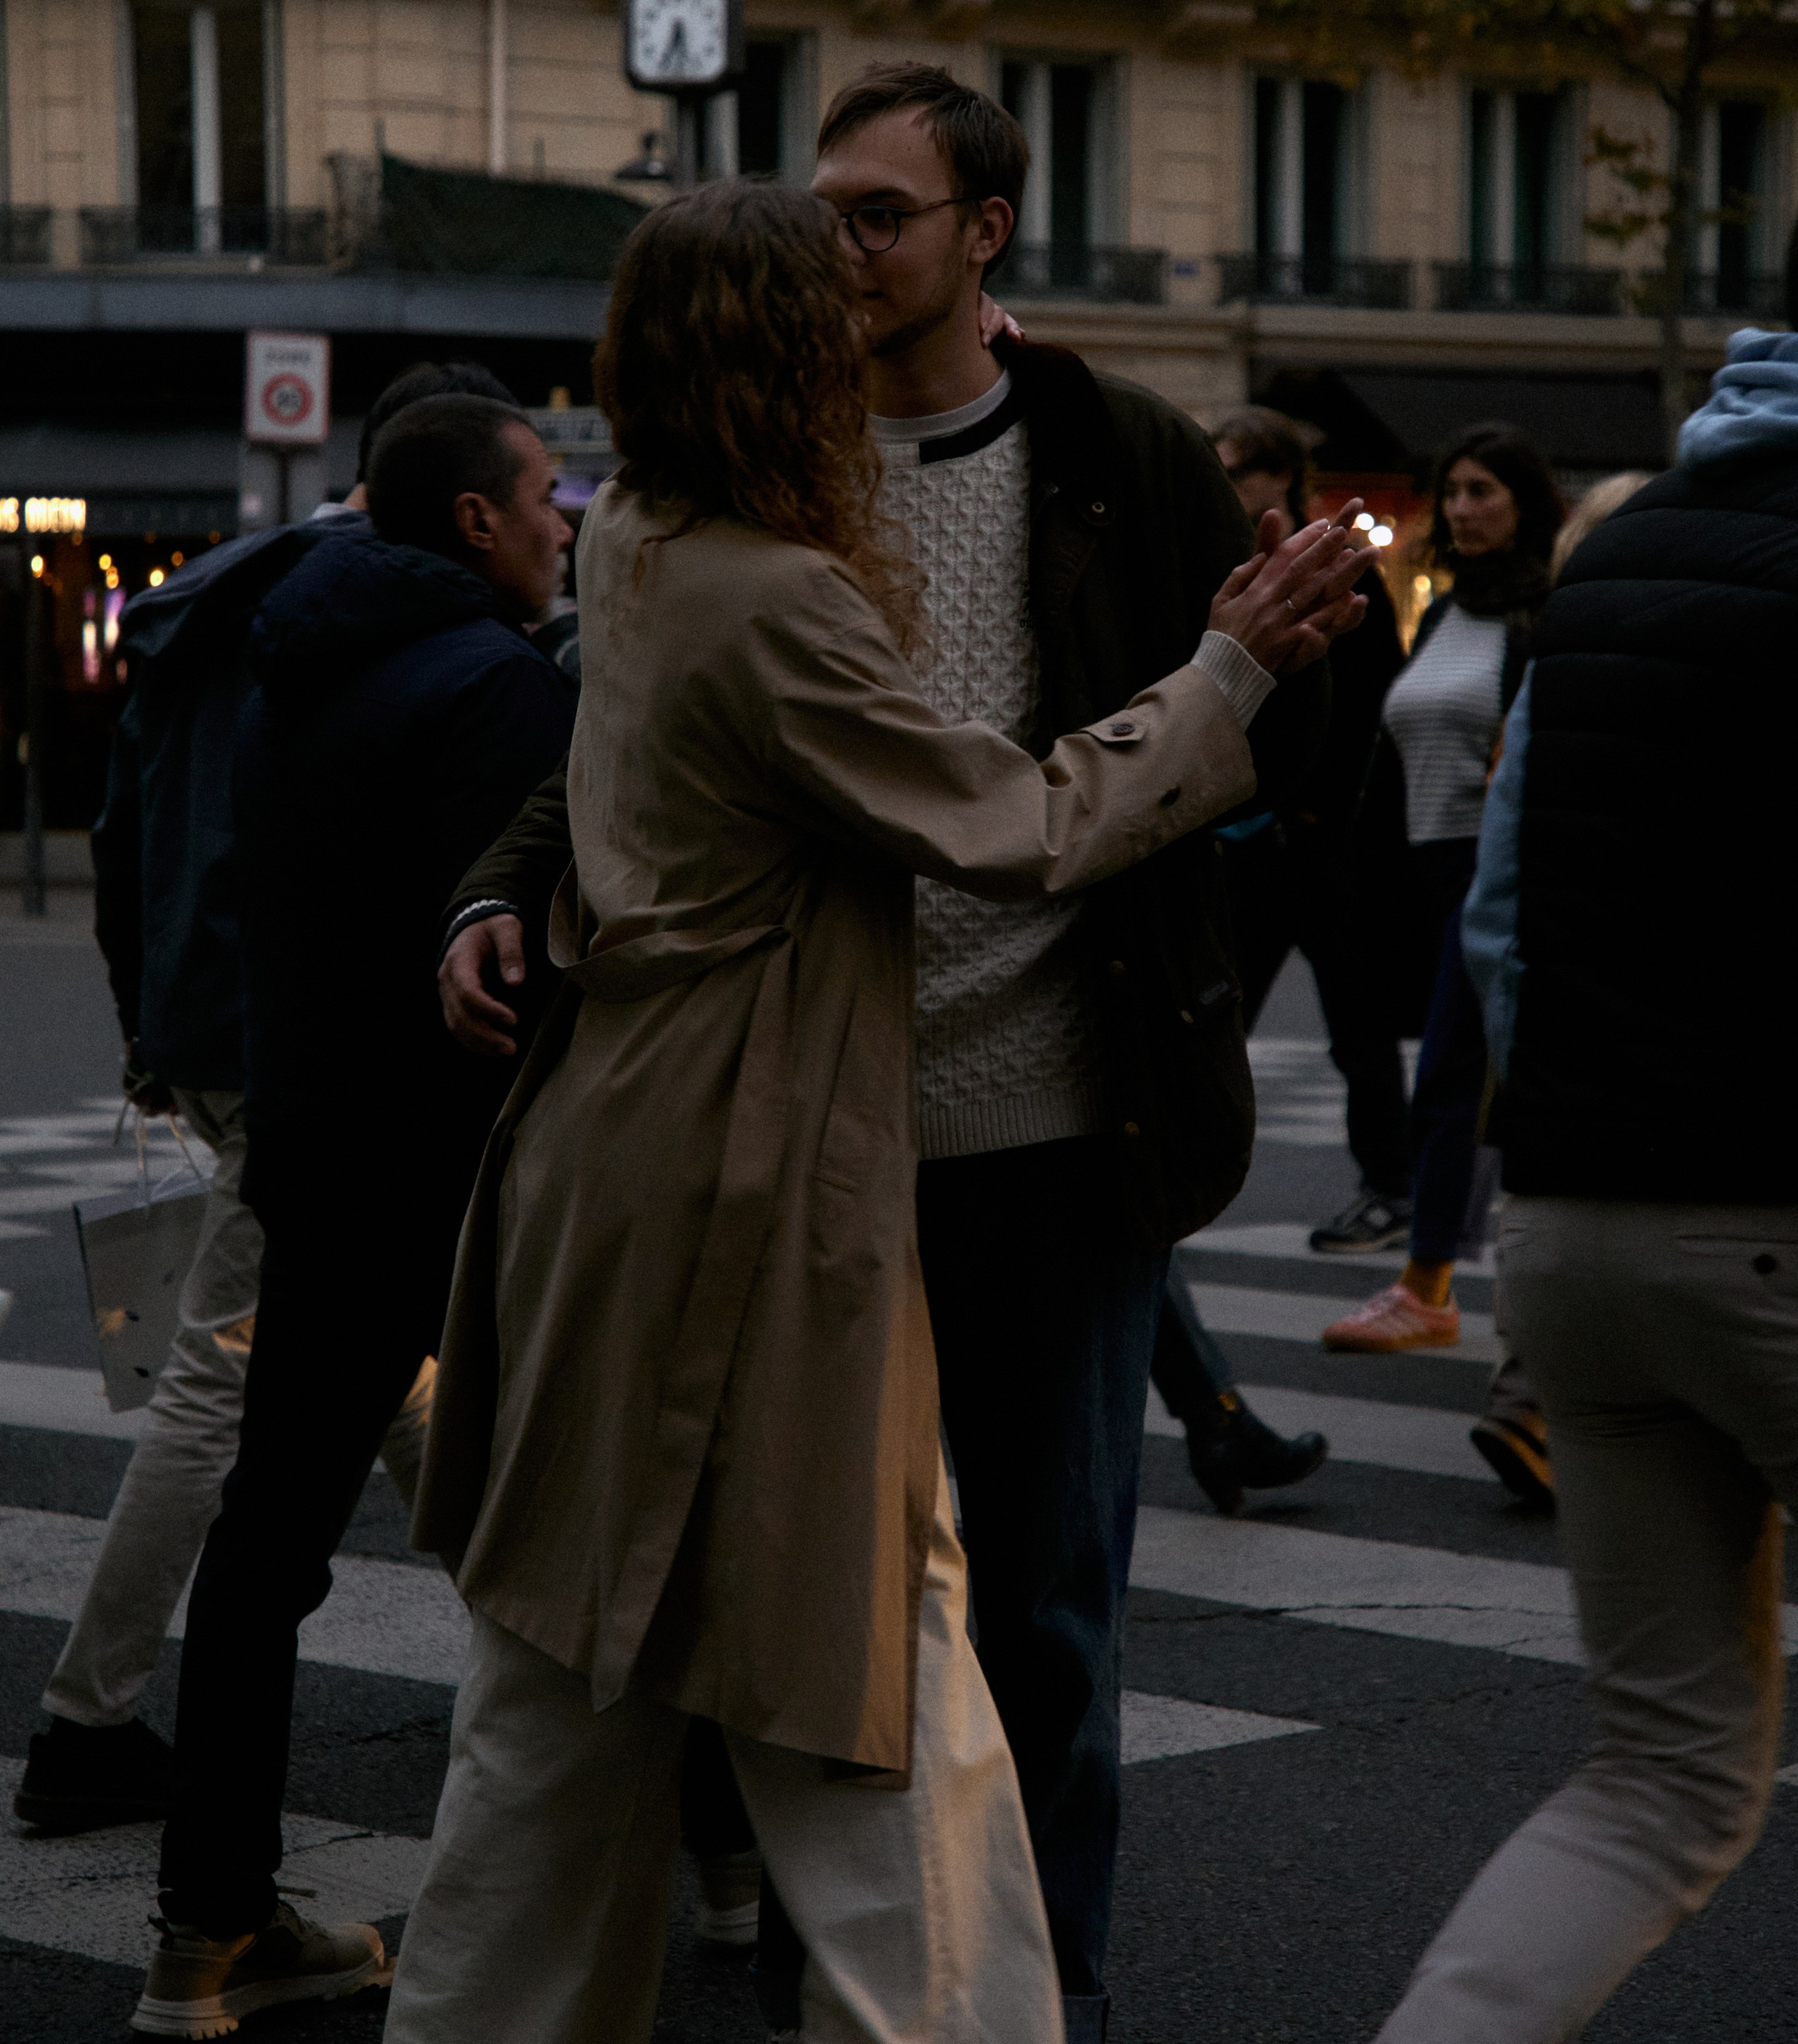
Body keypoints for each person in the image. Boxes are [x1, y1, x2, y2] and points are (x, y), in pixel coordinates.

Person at [386, 178, 1370, 2044]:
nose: (868, 344)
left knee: (560, 1717)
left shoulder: (644, 539)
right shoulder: (773, 598)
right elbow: (1021, 826)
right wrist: (1229, 663)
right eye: (829, 318)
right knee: (876, 1697)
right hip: (740, 1185)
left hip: (613, 1170)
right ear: (781, 359)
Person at [13, 360, 516, 1840]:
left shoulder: (215, 596)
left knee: (394, 1369)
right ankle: (83, 1719)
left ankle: (543, 1658)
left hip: (206, 1023)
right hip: (290, 1048)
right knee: (226, 1383)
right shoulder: (366, 617)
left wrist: (144, 1027)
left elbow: (123, 828)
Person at [133, 397, 578, 2040]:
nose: (564, 519)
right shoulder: (498, 685)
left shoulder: (287, 663)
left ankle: (205, 1926)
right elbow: (524, 943)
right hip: (464, 1165)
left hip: (314, 1143)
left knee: (266, 1542)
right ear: (473, 519)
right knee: (596, 1515)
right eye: (545, 494)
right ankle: (703, 1872)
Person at [1373, 331, 1798, 2042]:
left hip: (1578, 1228)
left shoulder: (1612, 556)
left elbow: (1499, 907)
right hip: (1773, 1213)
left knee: (1656, 1778)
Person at [1324, 425, 1561, 1357]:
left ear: (1522, 504)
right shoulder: (1447, 610)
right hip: (1425, 868)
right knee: (1459, 1079)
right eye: (1452, 492)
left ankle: (1434, 1286)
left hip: (1493, 867)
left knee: (1460, 1081)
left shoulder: (1540, 612)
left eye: (1481, 492)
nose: (1461, 509)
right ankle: (1457, 1288)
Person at [1466, 468, 1653, 1513]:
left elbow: (1500, 882)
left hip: (1554, 984)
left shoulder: (1558, 656)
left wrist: (1515, 1015)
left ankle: (1530, 1391)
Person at [1208, 407, 1411, 1254]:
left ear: (1276, 477)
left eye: (1233, 469)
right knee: (1217, 1022)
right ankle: (1187, 1173)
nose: (1221, 484)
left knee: (1355, 1028)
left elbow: (1372, 701)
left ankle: (1390, 1187)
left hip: (1316, 838)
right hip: (1252, 834)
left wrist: (1325, 810)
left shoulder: (1340, 566)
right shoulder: (1227, 568)